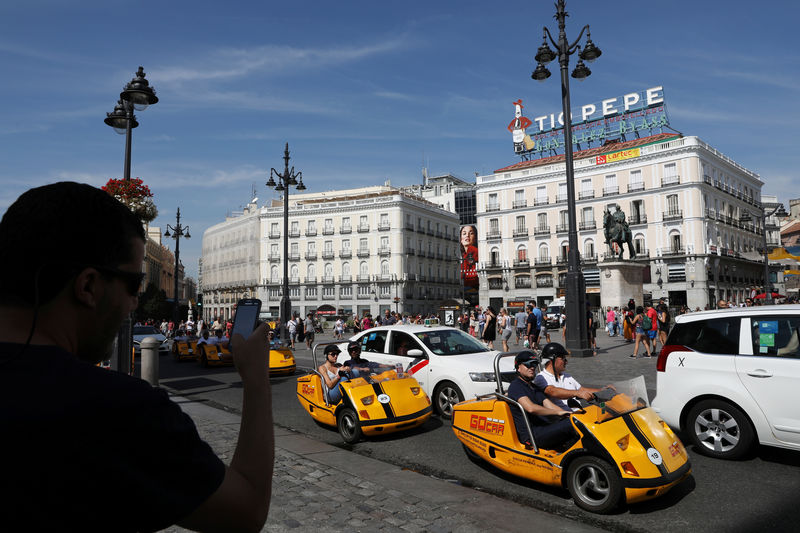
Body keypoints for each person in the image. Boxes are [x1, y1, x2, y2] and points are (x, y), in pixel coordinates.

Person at [0, 182, 273, 531]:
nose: (133, 303)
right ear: (88, 287)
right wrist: (256, 381)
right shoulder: (114, 410)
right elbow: (246, 511)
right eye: (133, 284)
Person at [506, 351, 577, 450]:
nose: (532, 367)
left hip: (545, 428)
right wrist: (557, 412)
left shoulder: (533, 387)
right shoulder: (516, 386)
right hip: (532, 434)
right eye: (528, 364)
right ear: (518, 367)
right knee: (571, 425)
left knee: (577, 421)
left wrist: (569, 414)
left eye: (534, 364)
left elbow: (548, 404)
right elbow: (531, 408)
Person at [534, 343, 602, 411]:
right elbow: (552, 391)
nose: (566, 362)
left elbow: (582, 390)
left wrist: (604, 391)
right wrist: (576, 393)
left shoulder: (566, 376)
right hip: (562, 417)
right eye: (563, 358)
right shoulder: (541, 377)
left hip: (579, 414)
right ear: (552, 360)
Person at [460, 225, 479, 290]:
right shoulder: (462, 255)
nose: (467, 235)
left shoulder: (474, 251)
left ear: (475, 238)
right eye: (464, 233)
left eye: (471, 233)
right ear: (460, 239)